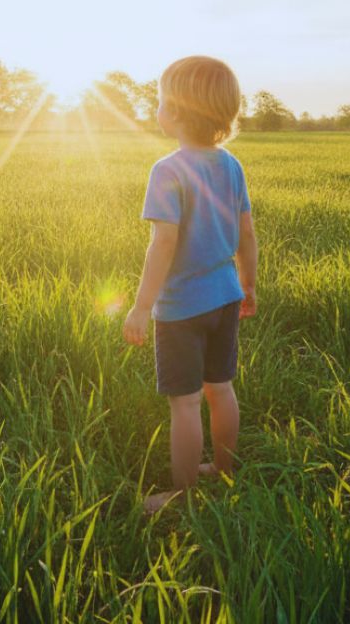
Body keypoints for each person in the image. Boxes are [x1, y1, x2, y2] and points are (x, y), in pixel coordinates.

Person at [123, 55, 258, 513]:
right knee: (220, 388)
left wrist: (142, 306)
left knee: (184, 403)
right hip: (225, 297)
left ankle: (182, 497)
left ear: (176, 112)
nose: (157, 108)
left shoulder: (168, 170)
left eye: (161, 101)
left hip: (182, 308)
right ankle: (225, 469)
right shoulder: (231, 166)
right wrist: (249, 283)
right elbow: (246, 232)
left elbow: (162, 242)